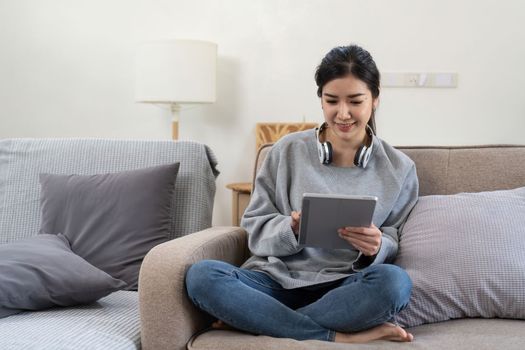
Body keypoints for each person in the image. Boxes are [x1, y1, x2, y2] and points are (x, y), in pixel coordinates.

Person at [185, 44, 419, 343]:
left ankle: (259, 319)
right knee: (202, 276)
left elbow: (394, 239)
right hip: (274, 281)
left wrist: (376, 246)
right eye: (331, 100)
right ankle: (336, 337)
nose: (343, 113)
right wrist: (291, 229)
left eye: (355, 101)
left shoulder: (399, 169)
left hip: (344, 286)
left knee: (395, 284)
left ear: (375, 100)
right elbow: (254, 228)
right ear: (320, 100)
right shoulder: (285, 151)